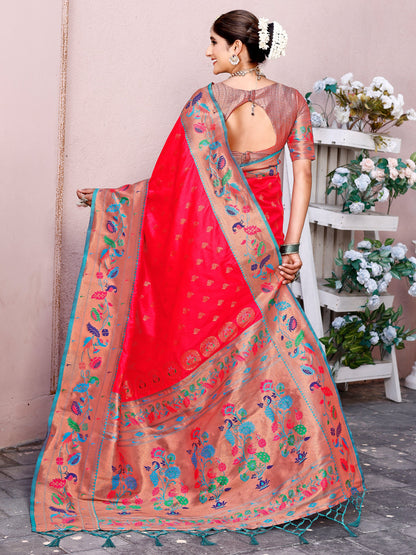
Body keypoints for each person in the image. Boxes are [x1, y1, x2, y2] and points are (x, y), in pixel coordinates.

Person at [32, 10, 364, 548]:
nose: (206, 52)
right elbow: (302, 174)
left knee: (212, 350)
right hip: (262, 250)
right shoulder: (293, 102)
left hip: (215, 251)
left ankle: (210, 472)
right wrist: (288, 247)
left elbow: (170, 188)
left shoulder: (206, 102)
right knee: (267, 353)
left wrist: (116, 201)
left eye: (213, 43)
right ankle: (288, 477)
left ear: (238, 48)